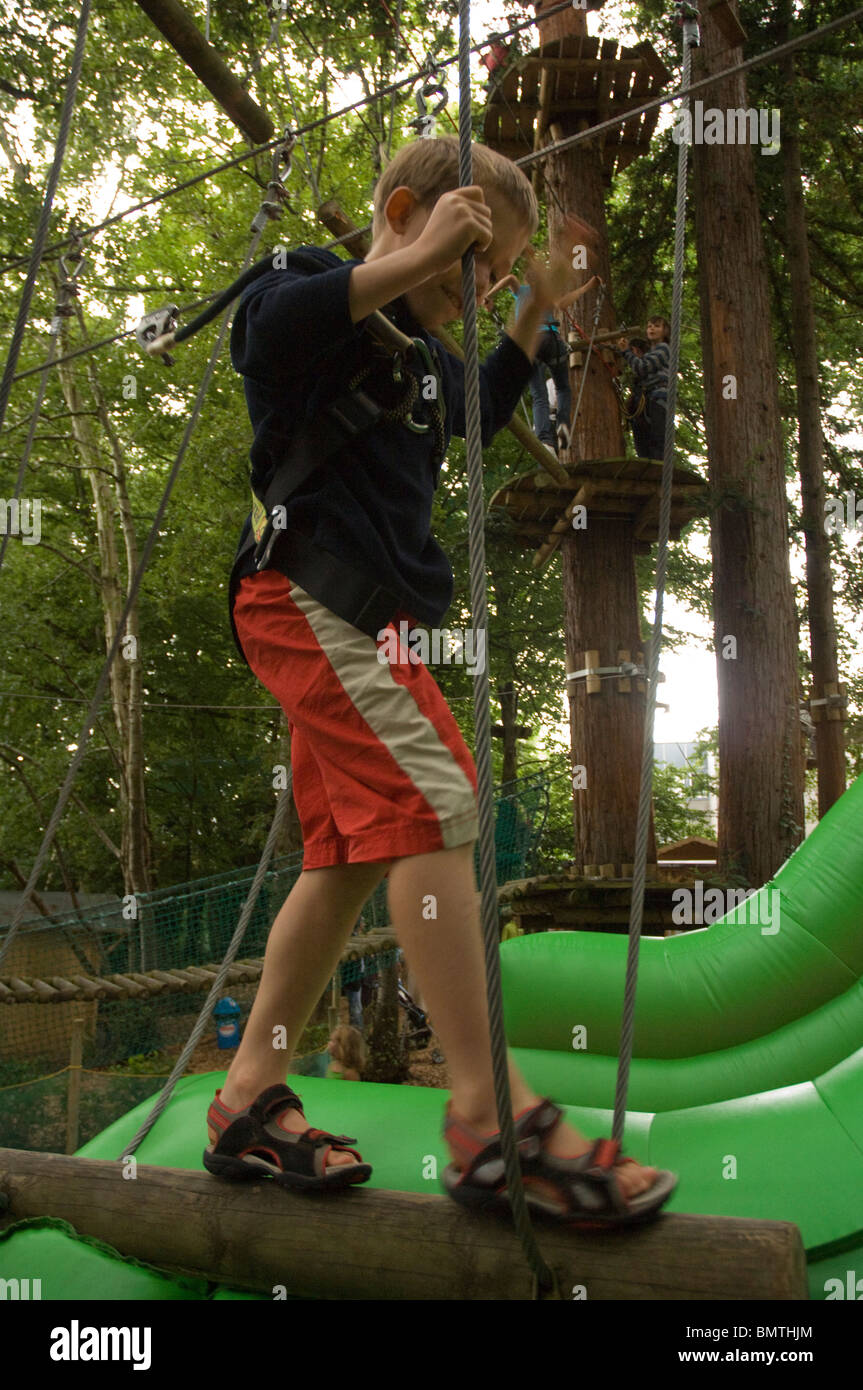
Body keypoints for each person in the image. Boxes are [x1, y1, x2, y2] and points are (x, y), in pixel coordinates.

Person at [205, 136, 675, 1225]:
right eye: (480, 262)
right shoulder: (309, 292)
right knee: (434, 801)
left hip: (361, 621)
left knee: (347, 856)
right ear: (407, 211)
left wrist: (534, 306)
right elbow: (268, 337)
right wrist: (420, 258)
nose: (483, 285)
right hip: (310, 597)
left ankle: (244, 1097)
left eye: (496, 267)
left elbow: (477, 409)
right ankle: (486, 1117)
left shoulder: (421, 359)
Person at [485, 268, 599, 456]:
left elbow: (510, 278)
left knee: (539, 394)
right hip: (551, 339)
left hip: (530, 344)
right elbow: (563, 303)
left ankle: (545, 441)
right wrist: (588, 286)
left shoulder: (521, 291)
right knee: (562, 387)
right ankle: (563, 425)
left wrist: (486, 296)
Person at [617, 316, 671, 460]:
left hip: (658, 399)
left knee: (657, 441)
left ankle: (659, 471)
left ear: (665, 331)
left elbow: (643, 368)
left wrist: (626, 352)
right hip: (646, 399)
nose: (652, 328)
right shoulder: (649, 353)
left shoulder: (664, 349)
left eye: (657, 326)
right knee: (642, 442)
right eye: (649, 326)